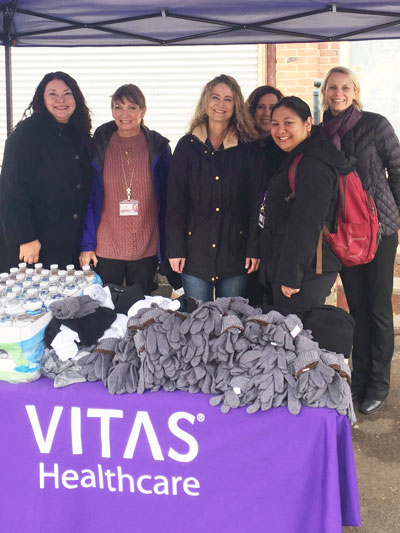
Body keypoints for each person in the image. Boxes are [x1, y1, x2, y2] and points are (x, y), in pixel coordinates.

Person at [321, 66, 400, 414]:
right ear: (325, 92)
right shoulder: (320, 133)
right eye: (332, 88)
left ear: (355, 91)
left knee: (379, 309)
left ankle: (378, 385)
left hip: (380, 230)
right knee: (357, 309)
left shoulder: (376, 124)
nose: (338, 93)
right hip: (345, 234)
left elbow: (397, 169)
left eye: (344, 87)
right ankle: (359, 379)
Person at [166, 74, 267, 302]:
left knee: (230, 321)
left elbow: (257, 203)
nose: (220, 104)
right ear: (205, 102)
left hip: (235, 251)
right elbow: (175, 202)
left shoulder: (248, 149)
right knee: (196, 320)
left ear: (236, 106)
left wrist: (254, 248)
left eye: (228, 99)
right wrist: (175, 249)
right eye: (215, 97)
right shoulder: (187, 146)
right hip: (195, 251)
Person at [260, 96, 355, 313]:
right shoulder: (297, 155)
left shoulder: (314, 161)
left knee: (299, 338)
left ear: (308, 123)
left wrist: (291, 276)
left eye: (288, 122)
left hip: (307, 271)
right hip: (297, 265)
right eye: (275, 124)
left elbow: (306, 222)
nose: (280, 130)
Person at [79, 84, 171, 294]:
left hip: (146, 246)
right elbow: (89, 200)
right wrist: (87, 245)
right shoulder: (98, 146)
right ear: (112, 111)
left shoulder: (158, 147)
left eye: (132, 107)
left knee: (140, 312)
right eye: (118, 107)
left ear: (143, 111)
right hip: (106, 247)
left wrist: (168, 246)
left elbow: (168, 199)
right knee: (106, 307)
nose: (125, 114)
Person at [0, 71, 92, 270]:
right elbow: (11, 188)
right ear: (42, 98)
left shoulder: (79, 134)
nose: (61, 100)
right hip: (34, 243)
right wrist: (25, 237)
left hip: (67, 240)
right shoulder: (27, 133)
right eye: (52, 94)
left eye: (67, 93)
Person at [246, 85, 284, 306]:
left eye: (272, 107)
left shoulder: (284, 146)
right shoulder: (241, 145)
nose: (267, 113)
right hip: (245, 236)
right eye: (261, 107)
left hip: (275, 238)